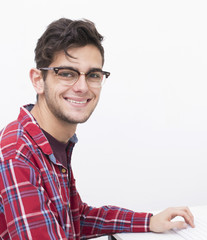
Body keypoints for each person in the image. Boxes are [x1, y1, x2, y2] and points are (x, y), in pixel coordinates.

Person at [0, 18, 194, 239]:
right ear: (38, 80)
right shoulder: (18, 153)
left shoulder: (52, 142)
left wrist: (148, 221)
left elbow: (76, 219)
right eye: (66, 73)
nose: (82, 87)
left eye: (93, 75)